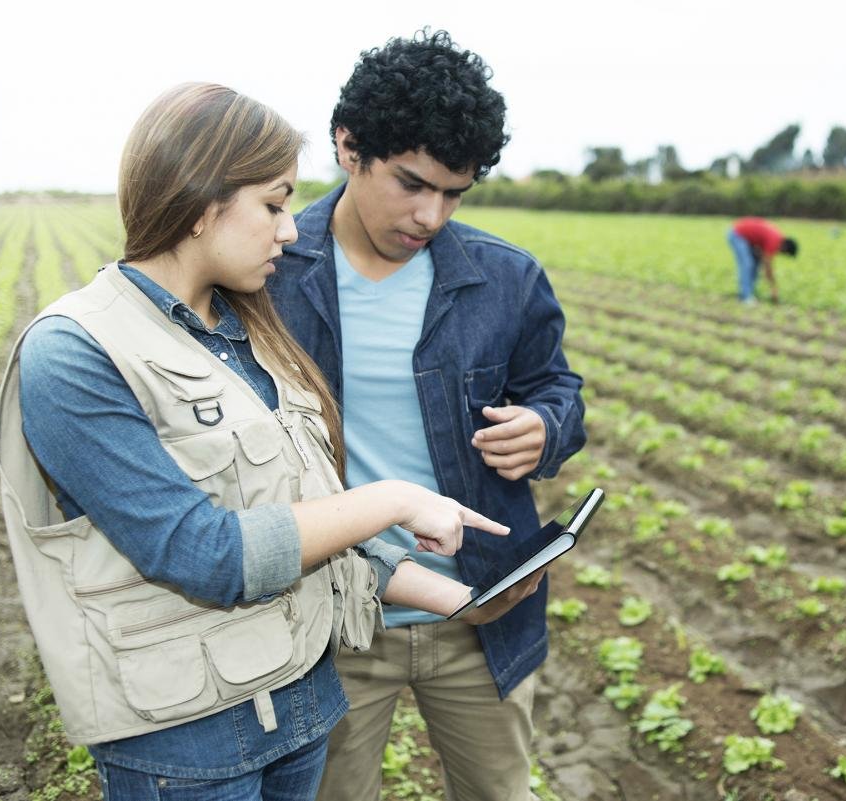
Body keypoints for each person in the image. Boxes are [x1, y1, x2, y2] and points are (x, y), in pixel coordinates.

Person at [0, 82, 538, 801]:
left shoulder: (246, 329)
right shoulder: (75, 352)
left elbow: (308, 527)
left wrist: (459, 599)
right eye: (274, 204)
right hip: (187, 742)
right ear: (199, 199)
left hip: (299, 712)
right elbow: (204, 553)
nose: (290, 230)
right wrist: (392, 498)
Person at [268, 30, 586, 801]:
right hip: (334, 618)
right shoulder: (271, 272)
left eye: (454, 192)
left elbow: (558, 388)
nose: (431, 214)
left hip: (482, 613)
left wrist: (546, 427)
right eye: (412, 183)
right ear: (349, 147)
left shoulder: (506, 279)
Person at [726, 216, 798, 304]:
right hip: (737, 234)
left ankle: (749, 292)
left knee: (756, 263)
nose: (780, 254)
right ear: (785, 248)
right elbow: (767, 267)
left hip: (747, 238)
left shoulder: (776, 238)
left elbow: (762, 257)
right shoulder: (775, 241)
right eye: (784, 253)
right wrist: (773, 288)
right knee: (747, 264)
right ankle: (745, 297)